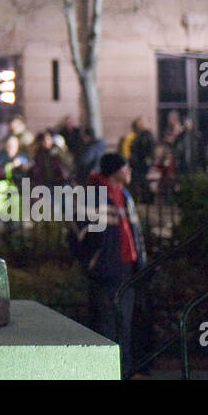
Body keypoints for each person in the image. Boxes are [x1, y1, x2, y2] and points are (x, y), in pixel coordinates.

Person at [72, 153, 146, 373]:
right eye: (126, 167)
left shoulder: (123, 194)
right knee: (107, 326)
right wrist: (92, 260)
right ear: (115, 171)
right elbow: (79, 232)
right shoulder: (94, 195)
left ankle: (123, 369)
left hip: (126, 268)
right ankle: (109, 372)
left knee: (124, 325)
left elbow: (134, 232)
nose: (130, 171)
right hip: (106, 269)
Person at [120, 117, 155, 202]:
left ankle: (145, 199)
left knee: (140, 181)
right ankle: (142, 199)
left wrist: (146, 158)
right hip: (138, 162)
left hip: (140, 162)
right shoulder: (139, 135)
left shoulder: (145, 134)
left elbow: (145, 148)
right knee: (138, 181)